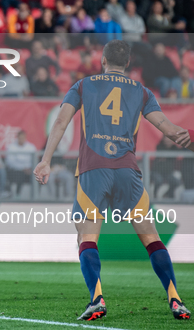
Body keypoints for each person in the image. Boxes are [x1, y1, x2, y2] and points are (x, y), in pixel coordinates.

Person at [33, 39, 192, 321]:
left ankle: (97, 299)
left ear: (103, 61)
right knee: (151, 237)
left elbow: (61, 122)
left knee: (86, 236)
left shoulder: (83, 85)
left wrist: (46, 160)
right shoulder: (142, 92)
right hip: (128, 171)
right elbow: (169, 130)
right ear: (128, 64)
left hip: (94, 170)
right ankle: (176, 299)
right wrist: (188, 135)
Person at [6, 130, 37, 197]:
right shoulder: (11, 147)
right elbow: (10, 162)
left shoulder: (31, 147)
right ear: (17, 138)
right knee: (20, 175)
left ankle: (36, 195)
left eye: (23, 138)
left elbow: (34, 161)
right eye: (20, 138)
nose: (21, 139)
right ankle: (18, 194)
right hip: (16, 170)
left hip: (29, 170)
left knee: (38, 176)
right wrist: (23, 168)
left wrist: (29, 168)